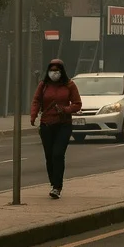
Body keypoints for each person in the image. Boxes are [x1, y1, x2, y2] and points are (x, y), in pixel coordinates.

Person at [30, 58, 82, 199]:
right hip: (46, 124)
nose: (54, 73)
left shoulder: (69, 85)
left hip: (63, 124)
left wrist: (65, 109)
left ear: (62, 71)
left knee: (58, 154)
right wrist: (33, 115)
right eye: (52, 71)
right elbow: (36, 100)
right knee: (49, 155)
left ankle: (57, 187)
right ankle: (53, 182)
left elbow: (77, 104)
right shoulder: (43, 85)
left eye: (57, 71)